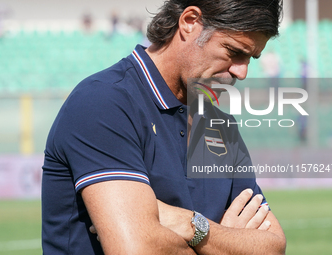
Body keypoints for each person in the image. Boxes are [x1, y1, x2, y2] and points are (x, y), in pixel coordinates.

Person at [42, 0, 286, 254]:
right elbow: (135, 248)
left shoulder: (220, 125)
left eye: (250, 58)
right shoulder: (103, 102)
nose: (242, 71)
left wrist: (190, 225)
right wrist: (224, 243)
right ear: (190, 22)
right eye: (234, 51)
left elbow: (272, 247)